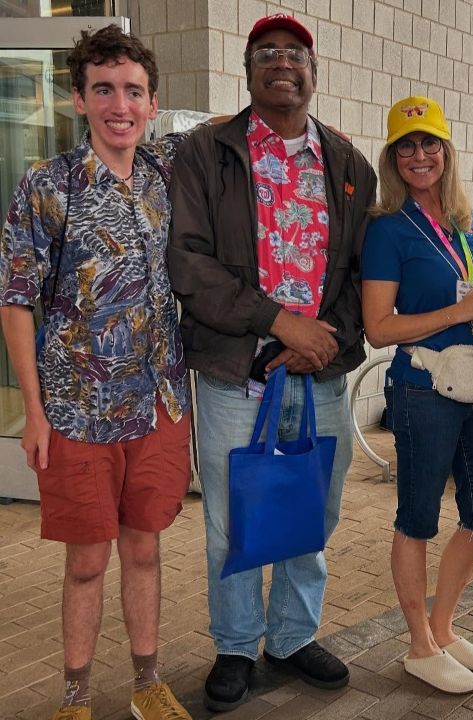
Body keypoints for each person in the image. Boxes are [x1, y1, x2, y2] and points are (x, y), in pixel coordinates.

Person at [166, 13, 376, 713]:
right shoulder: (207, 152)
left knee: (310, 513)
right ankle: (235, 644)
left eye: (294, 54)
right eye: (266, 53)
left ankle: (291, 636)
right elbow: (188, 261)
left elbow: (360, 271)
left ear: (314, 73)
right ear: (248, 71)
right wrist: (278, 323)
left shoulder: (347, 164)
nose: (281, 62)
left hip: (321, 372)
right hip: (238, 373)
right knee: (232, 521)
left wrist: (323, 338)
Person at [0, 25, 194, 720]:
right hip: (77, 407)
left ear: (152, 103)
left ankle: (147, 684)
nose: (120, 105)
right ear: (78, 99)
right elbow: (16, 301)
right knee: (86, 561)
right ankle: (76, 696)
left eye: (133, 91)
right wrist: (33, 412)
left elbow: (240, 127)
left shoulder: (167, 173)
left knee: (144, 551)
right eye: (104, 90)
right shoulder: (46, 185)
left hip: (158, 403)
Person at [361, 96, 473, 694]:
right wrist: (462, 310)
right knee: (417, 519)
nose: (418, 155)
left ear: (446, 151)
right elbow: (379, 328)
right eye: (406, 146)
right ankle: (418, 645)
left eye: (429, 143)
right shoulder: (387, 229)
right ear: (392, 158)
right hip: (422, 387)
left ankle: (443, 628)